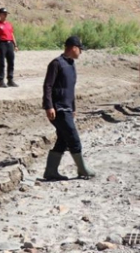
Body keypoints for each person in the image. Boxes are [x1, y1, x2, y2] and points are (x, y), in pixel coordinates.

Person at [42, 36, 95, 180]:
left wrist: (73, 108)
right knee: (73, 138)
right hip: (58, 109)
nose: (81, 53)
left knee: (63, 139)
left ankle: (50, 172)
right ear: (73, 48)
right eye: (80, 50)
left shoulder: (71, 64)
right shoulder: (56, 63)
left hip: (67, 108)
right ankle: (82, 169)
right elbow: (48, 86)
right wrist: (49, 106)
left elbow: (70, 89)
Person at [0, 7, 19, 88]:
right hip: (2, 44)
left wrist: (15, 45)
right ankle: (1, 81)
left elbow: (12, 34)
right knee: (1, 63)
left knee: (11, 62)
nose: (6, 15)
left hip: (10, 44)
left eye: (6, 14)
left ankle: (10, 80)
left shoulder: (9, 24)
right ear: (0, 15)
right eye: (4, 14)